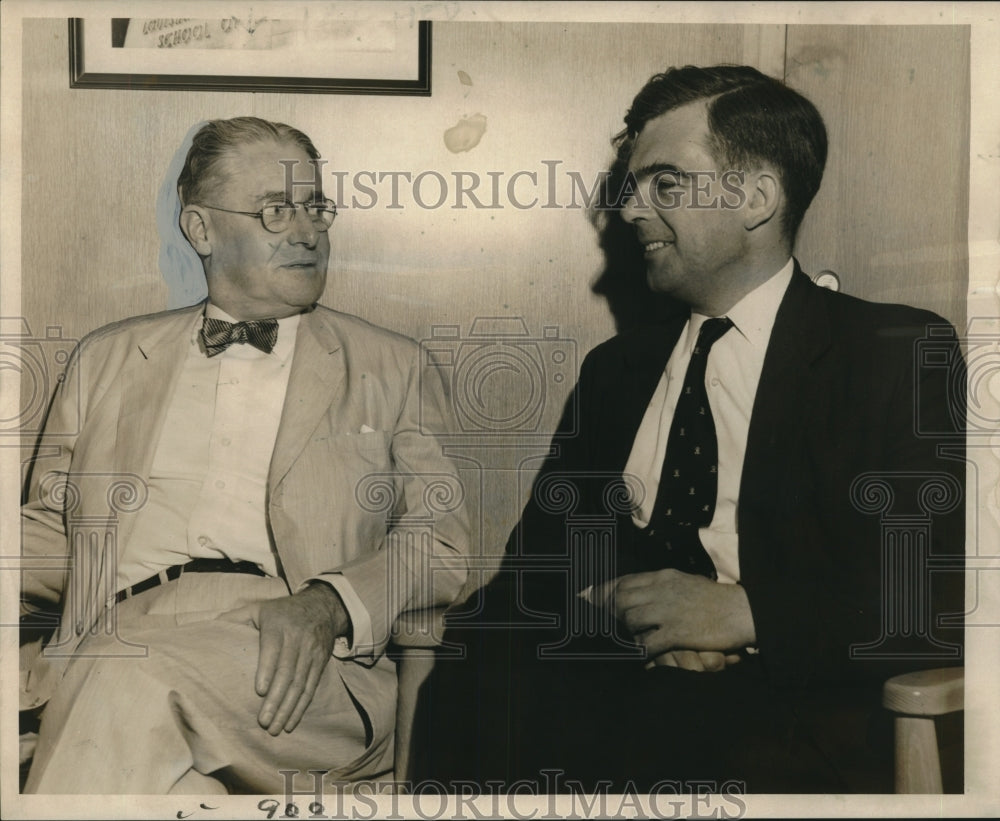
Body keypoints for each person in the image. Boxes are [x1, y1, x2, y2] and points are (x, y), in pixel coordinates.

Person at [415, 65, 965, 793]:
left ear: (757, 198)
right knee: (476, 658)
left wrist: (743, 614)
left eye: (665, 182)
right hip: (605, 701)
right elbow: (531, 578)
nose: (631, 209)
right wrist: (620, 616)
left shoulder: (892, 353)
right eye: (632, 183)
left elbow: (936, 597)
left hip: (789, 721)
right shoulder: (616, 371)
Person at [19, 116, 469, 794]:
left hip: (292, 655)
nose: (308, 231)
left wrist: (331, 603)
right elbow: (55, 533)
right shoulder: (105, 359)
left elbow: (442, 542)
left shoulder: (391, 365)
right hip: (114, 631)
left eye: (316, 207)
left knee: (124, 679)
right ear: (200, 230)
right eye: (276, 210)